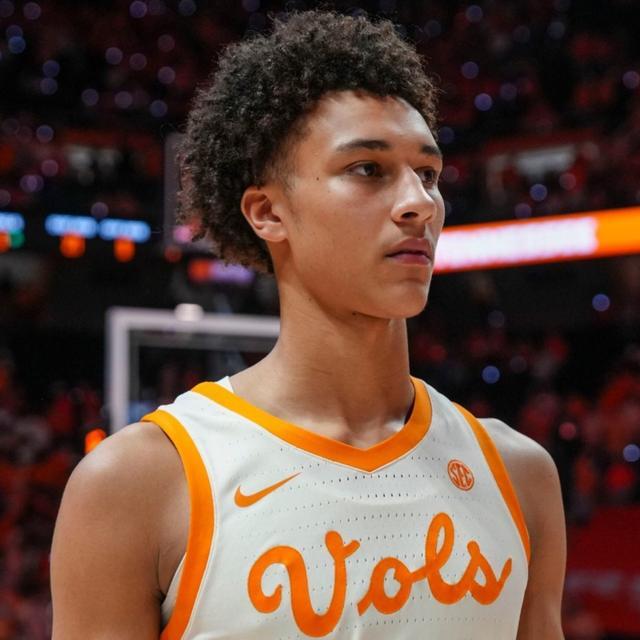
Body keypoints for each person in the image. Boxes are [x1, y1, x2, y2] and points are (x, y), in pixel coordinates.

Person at [51, 9, 566, 639]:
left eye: (428, 174)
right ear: (267, 212)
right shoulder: (140, 483)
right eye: (368, 169)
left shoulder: (518, 474)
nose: (419, 203)